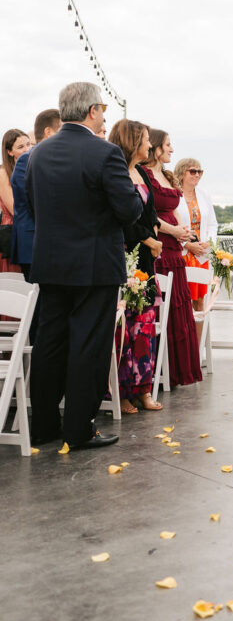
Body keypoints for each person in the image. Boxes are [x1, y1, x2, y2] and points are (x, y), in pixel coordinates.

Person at [26, 82, 142, 448]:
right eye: (103, 110)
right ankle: (78, 430)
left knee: (50, 344)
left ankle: (43, 427)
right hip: (94, 267)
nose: (104, 117)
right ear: (93, 110)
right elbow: (128, 210)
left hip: (50, 263)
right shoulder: (104, 153)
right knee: (88, 347)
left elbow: (31, 202)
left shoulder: (38, 154)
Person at [109, 119, 164, 413]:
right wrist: (146, 239)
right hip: (126, 255)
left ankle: (144, 388)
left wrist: (154, 229)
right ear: (133, 141)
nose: (149, 145)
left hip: (146, 259)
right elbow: (120, 217)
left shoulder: (141, 171)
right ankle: (124, 391)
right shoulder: (116, 172)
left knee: (145, 324)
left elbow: (150, 209)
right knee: (125, 326)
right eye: (145, 139)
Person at [144, 129, 202, 387]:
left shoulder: (166, 176)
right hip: (158, 247)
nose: (171, 149)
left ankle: (178, 372)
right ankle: (159, 371)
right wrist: (172, 231)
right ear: (156, 147)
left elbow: (172, 210)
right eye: (167, 145)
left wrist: (185, 236)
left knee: (178, 309)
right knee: (160, 308)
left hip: (175, 250)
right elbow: (145, 213)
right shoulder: (144, 174)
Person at [10, 109, 61, 342]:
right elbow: (33, 204)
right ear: (49, 132)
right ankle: (37, 365)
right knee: (38, 309)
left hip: (52, 245)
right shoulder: (25, 161)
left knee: (50, 308)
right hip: (33, 244)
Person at [174, 157, 218, 316]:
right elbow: (172, 225)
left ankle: (199, 340)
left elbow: (213, 223)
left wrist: (208, 243)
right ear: (182, 173)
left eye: (200, 171)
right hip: (182, 254)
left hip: (201, 255)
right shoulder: (174, 194)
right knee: (182, 299)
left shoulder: (204, 194)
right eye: (193, 171)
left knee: (200, 300)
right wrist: (187, 245)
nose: (197, 174)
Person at [0, 128, 31, 274]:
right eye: (20, 147)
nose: (27, 149)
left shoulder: (31, 168)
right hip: (12, 231)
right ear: (9, 152)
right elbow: (14, 208)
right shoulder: (3, 173)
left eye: (28, 144)